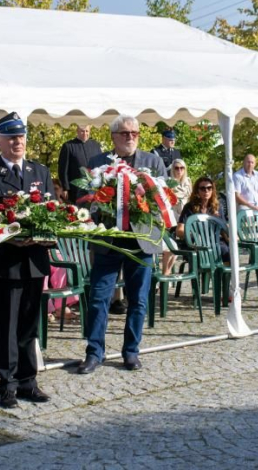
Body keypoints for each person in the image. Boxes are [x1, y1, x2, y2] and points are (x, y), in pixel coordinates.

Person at [0, 112, 55, 409]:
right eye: (11, 137)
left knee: (29, 325)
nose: (18, 142)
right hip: (5, 262)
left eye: (21, 136)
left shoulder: (39, 172)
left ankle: (28, 380)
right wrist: (9, 237)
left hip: (34, 259)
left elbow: (52, 211)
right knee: (6, 326)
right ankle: (6, 383)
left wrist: (43, 235)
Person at [77, 114, 166, 375]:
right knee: (98, 298)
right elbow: (83, 199)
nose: (130, 137)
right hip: (108, 242)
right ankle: (94, 353)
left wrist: (144, 205)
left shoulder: (153, 161)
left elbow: (165, 200)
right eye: (125, 133)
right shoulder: (97, 162)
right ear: (113, 136)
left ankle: (131, 351)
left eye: (135, 133)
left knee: (138, 300)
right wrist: (98, 208)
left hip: (141, 241)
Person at [176, 176, 230, 262]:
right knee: (214, 250)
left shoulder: (217, 207)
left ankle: (224, 275)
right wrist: (195, 236)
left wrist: (231, 237)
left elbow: (224, 228)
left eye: (209, 188)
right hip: (196, 243)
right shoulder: (189, 207)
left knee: (228, 251)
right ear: (197, 190)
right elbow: (179, 231)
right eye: (203, 188)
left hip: (215, 241)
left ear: (213, 190)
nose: (206, 191)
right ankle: (209, 274)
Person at [57, 125, 102, 204]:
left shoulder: (96, 145)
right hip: (75, 189)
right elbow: (62, 169)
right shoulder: (68, 146)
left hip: (95, 188)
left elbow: (101, 165)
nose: (84, 133)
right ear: (77, 131)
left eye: (87, 131)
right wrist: (65, 188)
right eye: (82, 131)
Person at [162, 158, 192, 275]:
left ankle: (167, 273)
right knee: (171, 247)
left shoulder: (188, 182)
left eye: (182, 168)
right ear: (173, 170)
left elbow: (191, 199)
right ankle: (166, 273)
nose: (179, 170)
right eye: (176, 168)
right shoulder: (168, 182)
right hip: (172, 218)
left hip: (185, 218)